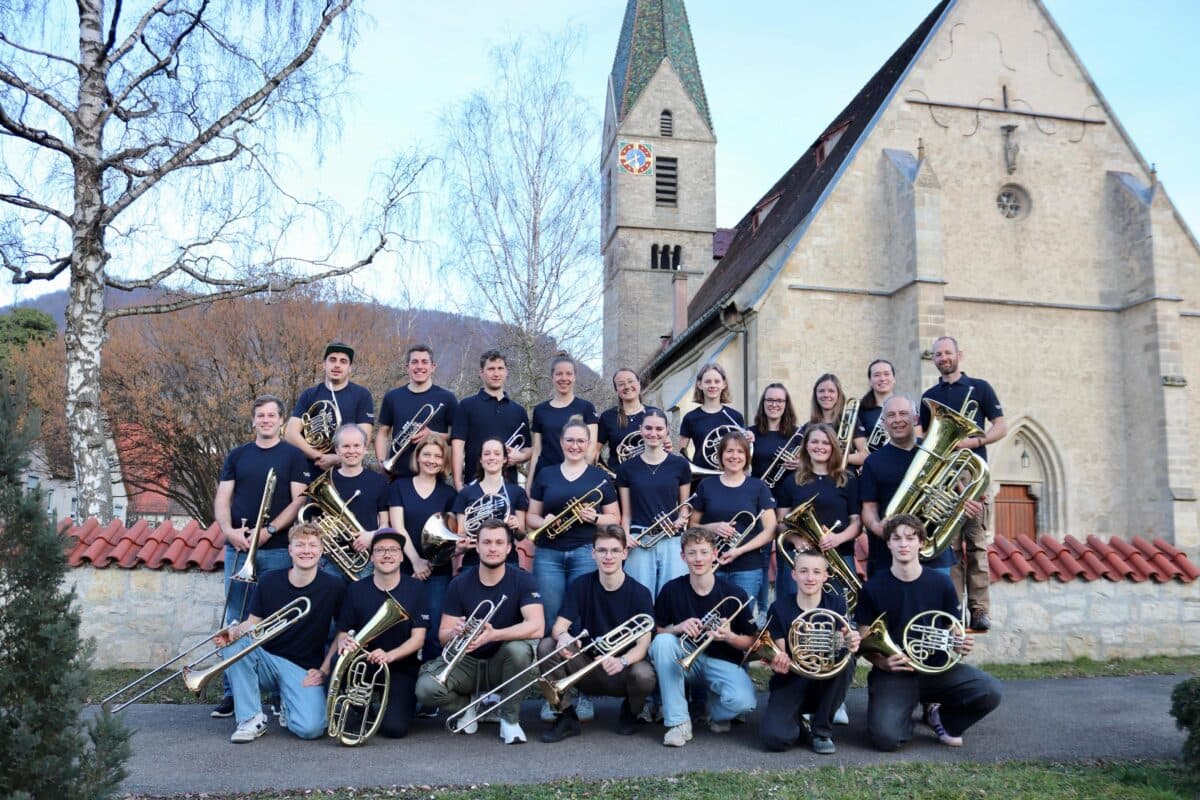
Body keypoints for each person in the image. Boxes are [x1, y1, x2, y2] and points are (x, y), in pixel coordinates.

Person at [855, 514, 1002, 751]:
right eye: (897, 538)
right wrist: (883, 663)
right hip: (895, 673)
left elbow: (954, 628)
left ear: (921, 543)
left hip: (936, 670)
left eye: (910, 538)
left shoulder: (941, 584)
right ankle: (900, 712)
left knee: (990, 690)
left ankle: (945, 719)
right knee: (886, 739)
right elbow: (863, 640)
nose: (904, 544)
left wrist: (959, 644)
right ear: (888, 543)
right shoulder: (873, 587)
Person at [211, 394, 312, 718]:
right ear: (253, 420)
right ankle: (232, 692)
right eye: (261, 415)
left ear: (281, 421)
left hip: (279, 548)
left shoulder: (293, 456)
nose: (266, 420)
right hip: (239, 548)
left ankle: (277, 690)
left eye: (272, 415)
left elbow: (298, 501)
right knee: (235, 618)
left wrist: (269, 530)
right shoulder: (237, 455)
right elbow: (223, 497)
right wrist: (229, 531)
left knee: (277, 620)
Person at [414, 519, 545, 745]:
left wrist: (495, 635)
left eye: (498, 542)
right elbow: (443, 635)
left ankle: (510, 720)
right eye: (486, 542)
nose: (492, 548)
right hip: (467, 662)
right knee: (426, 689)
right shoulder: (460, 583)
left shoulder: (523, 580)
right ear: (478, 546)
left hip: (501, 660)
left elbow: (537, 626)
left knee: (519, 650)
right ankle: (468, 707)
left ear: (509, 547)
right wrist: (455, 633)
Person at [527, 416, 620, 723]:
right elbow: (531, 518)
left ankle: (581, 692)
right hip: (549, 554)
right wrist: (548, 522)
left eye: (581, 441)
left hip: (583, 552)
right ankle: (555, 693)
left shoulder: (601, 478)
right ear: (561, 443)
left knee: (579, 623)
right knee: (554, 623)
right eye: (570, 440)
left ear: (589, 445)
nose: (576, 445)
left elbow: (615, 519)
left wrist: (595, 518)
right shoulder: (546, 473)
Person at [217, 522, 346, 743]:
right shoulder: (269, 581)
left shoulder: (334, 586)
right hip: (267, 660)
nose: (306, 550)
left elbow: (341, 634)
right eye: (300, 545)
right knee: (233, 645)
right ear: (290, 550)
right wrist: (232, 633)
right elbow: (252, 623)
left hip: (303, 668)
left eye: (312, 545)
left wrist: (324, 670)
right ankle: (251, 719)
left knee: (311, 729)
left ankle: (289, 703)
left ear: (322, 549)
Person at [920, 336, 1008, 632]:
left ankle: (980, 609)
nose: (943, 357)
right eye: (938, 354)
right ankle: (954, 609)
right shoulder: (929, 396)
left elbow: (1001, 426)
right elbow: (923, 435)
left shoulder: (979, 388)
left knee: (977, 545)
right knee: (950, 546)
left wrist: (973, 442)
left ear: (959, 354)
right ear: (933, 359)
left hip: (973, 476)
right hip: (942, 478)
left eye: (947, 352)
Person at [537, 525, 657, 742]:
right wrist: (563, 637)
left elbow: (642, 646)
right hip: (588, 669)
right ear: (593, 553)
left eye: (614, 550)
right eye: (602, 550)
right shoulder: (581, 585)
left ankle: (630, 710)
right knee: (547, 646)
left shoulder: (640, 593)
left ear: (624, 553)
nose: (608, 556)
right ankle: (566, 716)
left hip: (622, 670)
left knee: (645, 674)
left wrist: (622, 660)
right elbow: (559, 626)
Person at [649, 527, 758, 747]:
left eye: (703, 552)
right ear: (683, 557)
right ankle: (678, 723)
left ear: (714, 554)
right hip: (686, 659)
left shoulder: (734, 593)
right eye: (692, 553)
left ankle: (714, 711)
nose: (698, 559)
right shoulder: (672, 590)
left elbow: (753, 643)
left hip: (722, 662)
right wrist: (677, 627)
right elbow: (655, 632)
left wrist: (729, 637)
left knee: (744, 702)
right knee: (662, 643)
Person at [758, 548, 860, 754]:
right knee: (775, 740)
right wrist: (779, 659)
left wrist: (851, 639)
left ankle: (821, 730)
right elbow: (781, 650)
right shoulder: (779, 607)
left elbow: (844, 637)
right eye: (803, 571)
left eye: (816, 572)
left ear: (826, 576)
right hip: (791, 679)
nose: (810, 577)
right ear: (794, 574)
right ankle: (800, 724)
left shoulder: (836, 603)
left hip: (824, 679)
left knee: (848, 658)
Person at [333, 528, 428, 739]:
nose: (387, 555)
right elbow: (342, 631)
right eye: (380, 550)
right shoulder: (356, 589)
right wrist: (343, 641)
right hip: (364, 664)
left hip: (401, 665)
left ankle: (386, 705)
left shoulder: (416, 588)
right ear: (372, 556)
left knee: (394, 729)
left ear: (402, 556)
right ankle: (357, 706)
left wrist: (389, 655)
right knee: (336, 661)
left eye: (393, 550)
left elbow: (419, 638)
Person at [859, 396, 964, 578]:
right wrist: (877, 527)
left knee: (935, 607)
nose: (897, 420)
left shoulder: (937, 454)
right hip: (889, 555)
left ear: (915, 419)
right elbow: (868, 508)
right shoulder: (873, 462)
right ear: (884, 422)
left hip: (934, 553)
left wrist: (966, 506)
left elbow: (958, 496)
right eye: (891, 415)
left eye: (903, 414)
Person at [387, 434, 457, 663]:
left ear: (444, 461)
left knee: (435, 632)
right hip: (404, 568)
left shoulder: (449, 494)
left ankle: (429, 685)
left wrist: (430, 562)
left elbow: (450, 535)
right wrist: (416, 561)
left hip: (438, 572)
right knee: (399, 629)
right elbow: (398, 527)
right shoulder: (399, 486)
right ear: (417, 457)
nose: (432, 460)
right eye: (426, 454)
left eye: (438, 456)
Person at [690, 431, 777, 615]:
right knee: (710, 616)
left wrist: (739, 550)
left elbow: (770, 530)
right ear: (721, 455)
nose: (734, 456)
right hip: (711, 564)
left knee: (742, 618)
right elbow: (692, 526)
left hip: (748, 566)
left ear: (747, 457)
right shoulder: (706, 485)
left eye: (740, 452)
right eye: (729, 451)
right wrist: (712, 528)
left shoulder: (758, 487)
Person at [776, 423, 861, 602]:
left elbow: (857, 522)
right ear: (806, 446)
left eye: (825, 443)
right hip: (800, 558)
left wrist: (839, 538)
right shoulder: (791, 481)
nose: (819, 447)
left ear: (833, 447)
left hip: (840, 556)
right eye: (814, 442)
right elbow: (781, 523)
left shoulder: (848, 480)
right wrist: (796, 540)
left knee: (841, 608)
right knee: (796, 609)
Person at [617, 407, 692, 597]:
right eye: (648, 428)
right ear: (641, 429)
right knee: (640, 597)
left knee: (673, 598)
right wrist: (625, 535)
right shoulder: (627, 468)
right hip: (639, 539)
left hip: (672, 539)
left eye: (659, 429)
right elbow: (626, 514)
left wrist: (682, 519)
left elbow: (684, 506)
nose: (653, 433)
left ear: (667, 431)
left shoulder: (680, 465)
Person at [285, 341, 375, 471]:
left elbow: (364, 437)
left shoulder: (362, 395)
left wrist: (338, 458)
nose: (337, 365)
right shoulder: (309, 394)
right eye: (332, 360)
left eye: (343, 361)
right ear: (324, 365)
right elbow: (290, 433)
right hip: (311, 467)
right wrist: (318, 456)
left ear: (350, 368)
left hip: (347, 468)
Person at [451, 349, 531, 491]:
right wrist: (458, 484)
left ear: (506, 372)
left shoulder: (518, 410)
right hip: (474, 486)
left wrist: (521, 456)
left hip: (509, 488)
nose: (496, 373)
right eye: (491, 369)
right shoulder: (466, 406)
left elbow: (529, 449)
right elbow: (457, 448)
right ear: (481, 372)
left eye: (500, 368)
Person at [375, 344, 458, 478]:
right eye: (414, 362)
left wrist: (433, 435)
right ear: (407, 367)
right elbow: (382, 434)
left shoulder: (447, 398)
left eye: (424, 362)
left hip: (433, 475)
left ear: (433, 367)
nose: (419, 366)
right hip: (397, 473)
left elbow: (458, 437)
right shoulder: (392, 396)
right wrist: (381, 463)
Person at [319, 423, 390, 579]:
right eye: (346, 446)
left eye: (357, 445)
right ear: (337, 450)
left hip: (366, 561)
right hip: (330, 561)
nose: (352, 451)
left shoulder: (379, 482)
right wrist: (324, 533)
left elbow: (385, 523)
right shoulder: (324, 482)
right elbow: (312, 521)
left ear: (365, 449)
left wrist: (372, 536)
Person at [453, 437, 528, 570]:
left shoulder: (517, 492)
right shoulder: (466, 493)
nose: (492, 457)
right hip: (473, 562)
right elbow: (462, 533)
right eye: (487, 454)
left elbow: (521, 535)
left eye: (497, 453)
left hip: (508, 562)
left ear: (505, 459)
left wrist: (516, 526)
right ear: (481, 459)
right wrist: (464, 543)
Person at [529, 353, 599, 480]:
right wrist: (529, 485)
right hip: (545, 478)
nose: (564, 378)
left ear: (575, 377)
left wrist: (573, 476)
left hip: (576, 478)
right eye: (559, 374)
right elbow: (536, 452)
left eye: (569, 374)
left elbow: (590, 450)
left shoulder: (587, 408)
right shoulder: (540, 410)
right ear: (552, 377)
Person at [678, 363, 749, 474]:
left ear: (724, 384)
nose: (712, 385)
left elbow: (743, 449)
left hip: (729, 475)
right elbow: (682, 452)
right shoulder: (690, 418)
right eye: (707, 382)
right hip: (700, 478)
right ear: (699, 385)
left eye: (717, 381)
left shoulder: (735, 416)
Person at [750, 382, 802, 492]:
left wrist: (803, 464)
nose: (774, 405)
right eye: (769, 400)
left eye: (779, 401)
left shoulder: (798, 434)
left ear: (786, 404)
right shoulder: (751, 433)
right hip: (758, 494)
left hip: (789, 495)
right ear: (763, 403)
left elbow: (812, 465)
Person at [598, 367, 650, 471]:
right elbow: (594, 452)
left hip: (651, 477)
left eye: (631, 381)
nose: (627, 386)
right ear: (616, 390)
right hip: (619, 479)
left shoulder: (654, 414)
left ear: (639, 383)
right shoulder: (607, 417)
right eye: (621, 384)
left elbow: (665, 447)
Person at [847, 359, 897, 468]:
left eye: (886, 374)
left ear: (894, 379)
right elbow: (861, 450)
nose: (882, 378)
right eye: (877, 375)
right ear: (870, 381)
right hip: (872, 468)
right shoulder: (859, 410)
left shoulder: (906, 407)